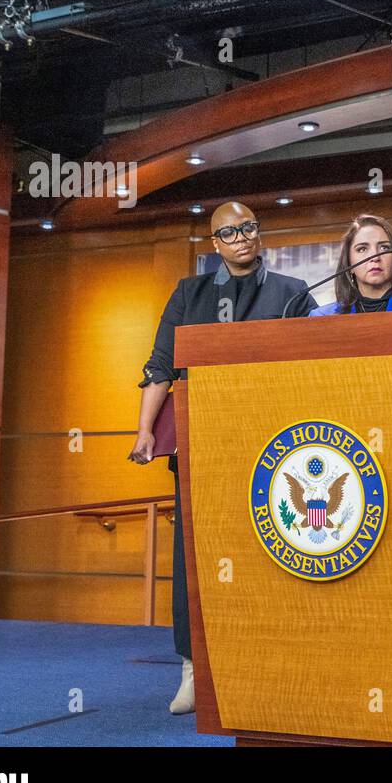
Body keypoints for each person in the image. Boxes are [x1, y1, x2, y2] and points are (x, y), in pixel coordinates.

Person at [128, 202, 311, 714]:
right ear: (215, 244)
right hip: (199, 440)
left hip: (272, 447)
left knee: (266, 552)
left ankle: (264, 662)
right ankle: (193, 668)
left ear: (259, 230)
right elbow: (161, 365)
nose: (241, 238)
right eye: (228, 232)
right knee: (194, 555)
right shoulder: (190, 293)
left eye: (247, 227)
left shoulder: (291, 291)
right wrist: (145, 430)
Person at [283, 214, 392, 317]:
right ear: (349, 263)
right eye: (362, 249)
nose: (375, 257)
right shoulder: (322, 317)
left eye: (384, 247)